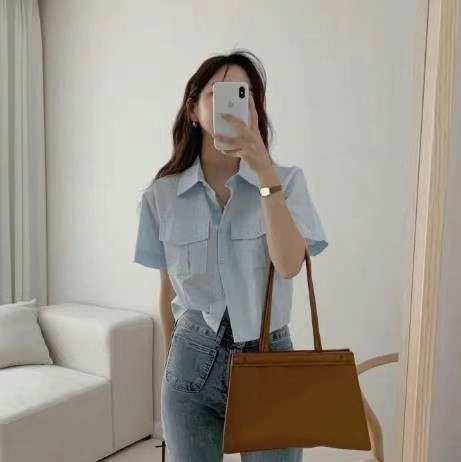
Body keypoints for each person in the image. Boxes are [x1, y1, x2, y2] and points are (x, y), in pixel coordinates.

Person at [134, 49, 328, 462]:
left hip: (269, 358)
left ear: (256, 109)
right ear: (193, 110)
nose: (232, 103)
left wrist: (264, 172)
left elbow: (289, 265)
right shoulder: (162, 196)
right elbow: (167, 293)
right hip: (189, 363)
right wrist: (170, 369)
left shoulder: (288, 182)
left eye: (244, 94)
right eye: (217, 93)